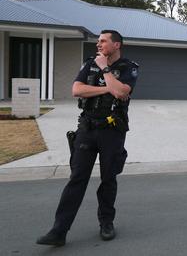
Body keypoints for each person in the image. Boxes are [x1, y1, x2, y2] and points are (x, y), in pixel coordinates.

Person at [37, 30, 139, 247]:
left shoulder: (129, 67)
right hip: (87, 128)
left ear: (117, 45)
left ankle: (106, 223)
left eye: (103, 41)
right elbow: (76, 90)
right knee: (77, 179)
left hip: (112, 130)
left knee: (108, 178)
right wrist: (105, 88)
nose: (98, 45)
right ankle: (59, 231)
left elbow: (121, 92)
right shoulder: (89, 63)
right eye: (98, 41)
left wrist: (105, 68)